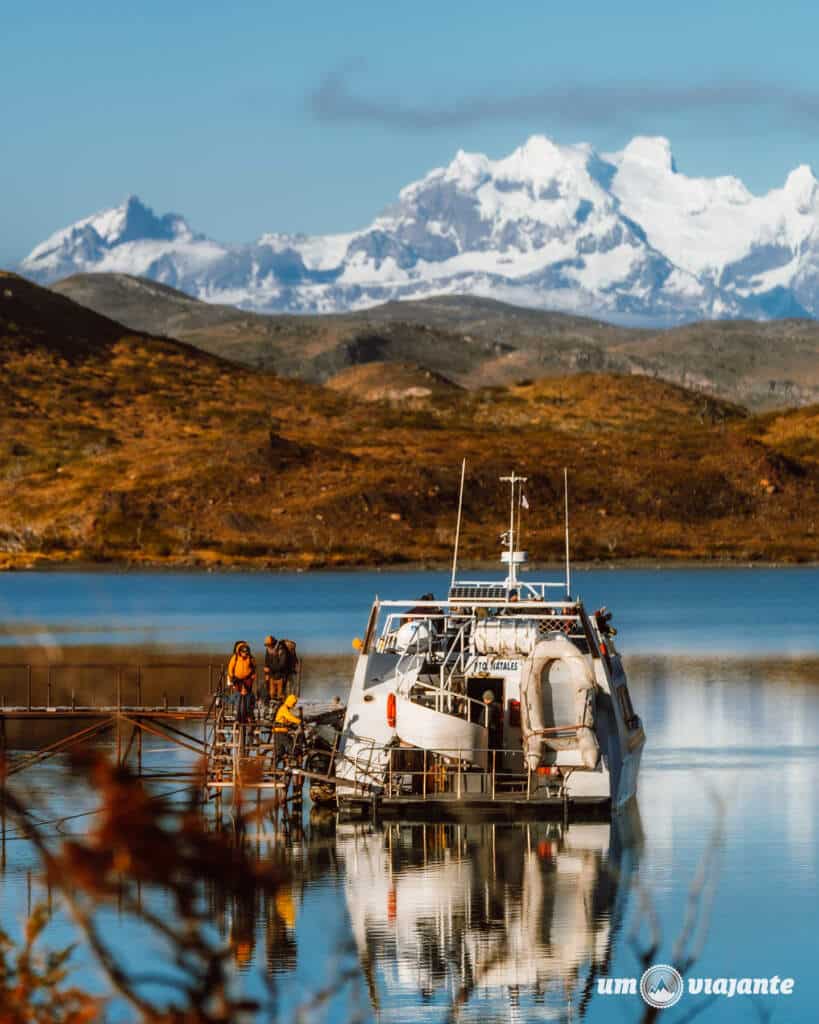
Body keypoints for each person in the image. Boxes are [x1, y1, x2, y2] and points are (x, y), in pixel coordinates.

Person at [264, 636, 299, 702]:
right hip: (273, 675)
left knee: (281, 695)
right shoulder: (268, 650)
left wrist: (270, 669)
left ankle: (282, 708)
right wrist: (267, 673)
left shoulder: (281, 649)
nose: (267, 646)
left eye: (269, 644)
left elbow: (282, 665)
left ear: (273, 643)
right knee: (272, 694)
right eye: (266, 645)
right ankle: (275, 709)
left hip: (281, 676)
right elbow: (267, 662)